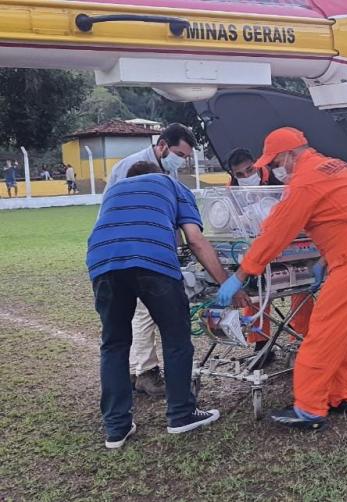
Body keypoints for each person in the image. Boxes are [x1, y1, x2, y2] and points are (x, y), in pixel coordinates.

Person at [215, 127, 347, 430]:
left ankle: (310, 408)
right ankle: (342, 395)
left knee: (324, 330)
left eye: (274, 163)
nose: (274, 169)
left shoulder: (305, 180)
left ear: (289, 155)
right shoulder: (330, 165)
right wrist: (325, 258)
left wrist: (240, 274)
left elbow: (275, 233)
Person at [88, 161, 249, 448]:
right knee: (175, 339)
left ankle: (116, 428)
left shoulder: (115, 190)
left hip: (103, 261)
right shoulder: (173, 185)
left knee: (113, 344)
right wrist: (228, 282)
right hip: (153, 261)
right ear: (160, 173)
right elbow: (196, 241)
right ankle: (181, 415)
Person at [103, 124, 197, 397]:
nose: (182, 160)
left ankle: (141, 371)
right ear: (163, 145)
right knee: (146, 314)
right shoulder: (130, 166)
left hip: (151, 247)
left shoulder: (169, 170)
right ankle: (145, 371)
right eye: (180, 153)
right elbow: (115, 208)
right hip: (129, 248)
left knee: (142, 316)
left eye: (186, 156)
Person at [225, 148, 314, 358]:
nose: (246, 177)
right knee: (255, 294)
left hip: (291, 244)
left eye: (250, 170)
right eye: (240, 175)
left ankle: (301, 339)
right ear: (232, 175)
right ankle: (260, 344)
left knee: (300, 287)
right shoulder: (231, 190)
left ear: (258, 165)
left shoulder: (279, 178)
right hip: (254, 246)